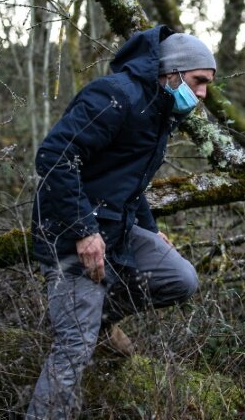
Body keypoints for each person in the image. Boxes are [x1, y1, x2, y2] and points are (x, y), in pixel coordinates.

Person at [27, 25, 214, 419]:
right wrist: (83, 231)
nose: (202, 94)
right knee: (74, 349)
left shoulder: (159, 111)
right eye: (198, 81)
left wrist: (150, 227)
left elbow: (129, 182)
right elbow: (55, 158)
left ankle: (100, 318)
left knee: (180, 278)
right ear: (173, 71)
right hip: (67, 231)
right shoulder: (115, 96)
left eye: (207, 85)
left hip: (117, 229)